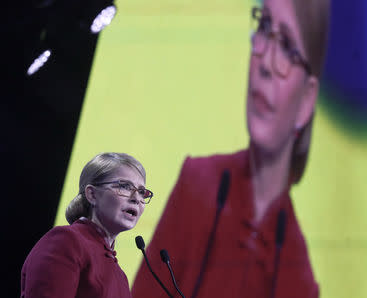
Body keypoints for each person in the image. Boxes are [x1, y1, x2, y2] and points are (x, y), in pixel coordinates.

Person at [132, 0, 330, 297]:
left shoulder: (298, 280)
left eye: (288, 47)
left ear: (306, 101)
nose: (264, 63)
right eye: (263, 27)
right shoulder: (197, 182)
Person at [21, 152, 153, 298]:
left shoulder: (121, 277)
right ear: (92, 194)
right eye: (124, 186)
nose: (136, 198)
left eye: (142, 192)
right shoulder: (66, 241)